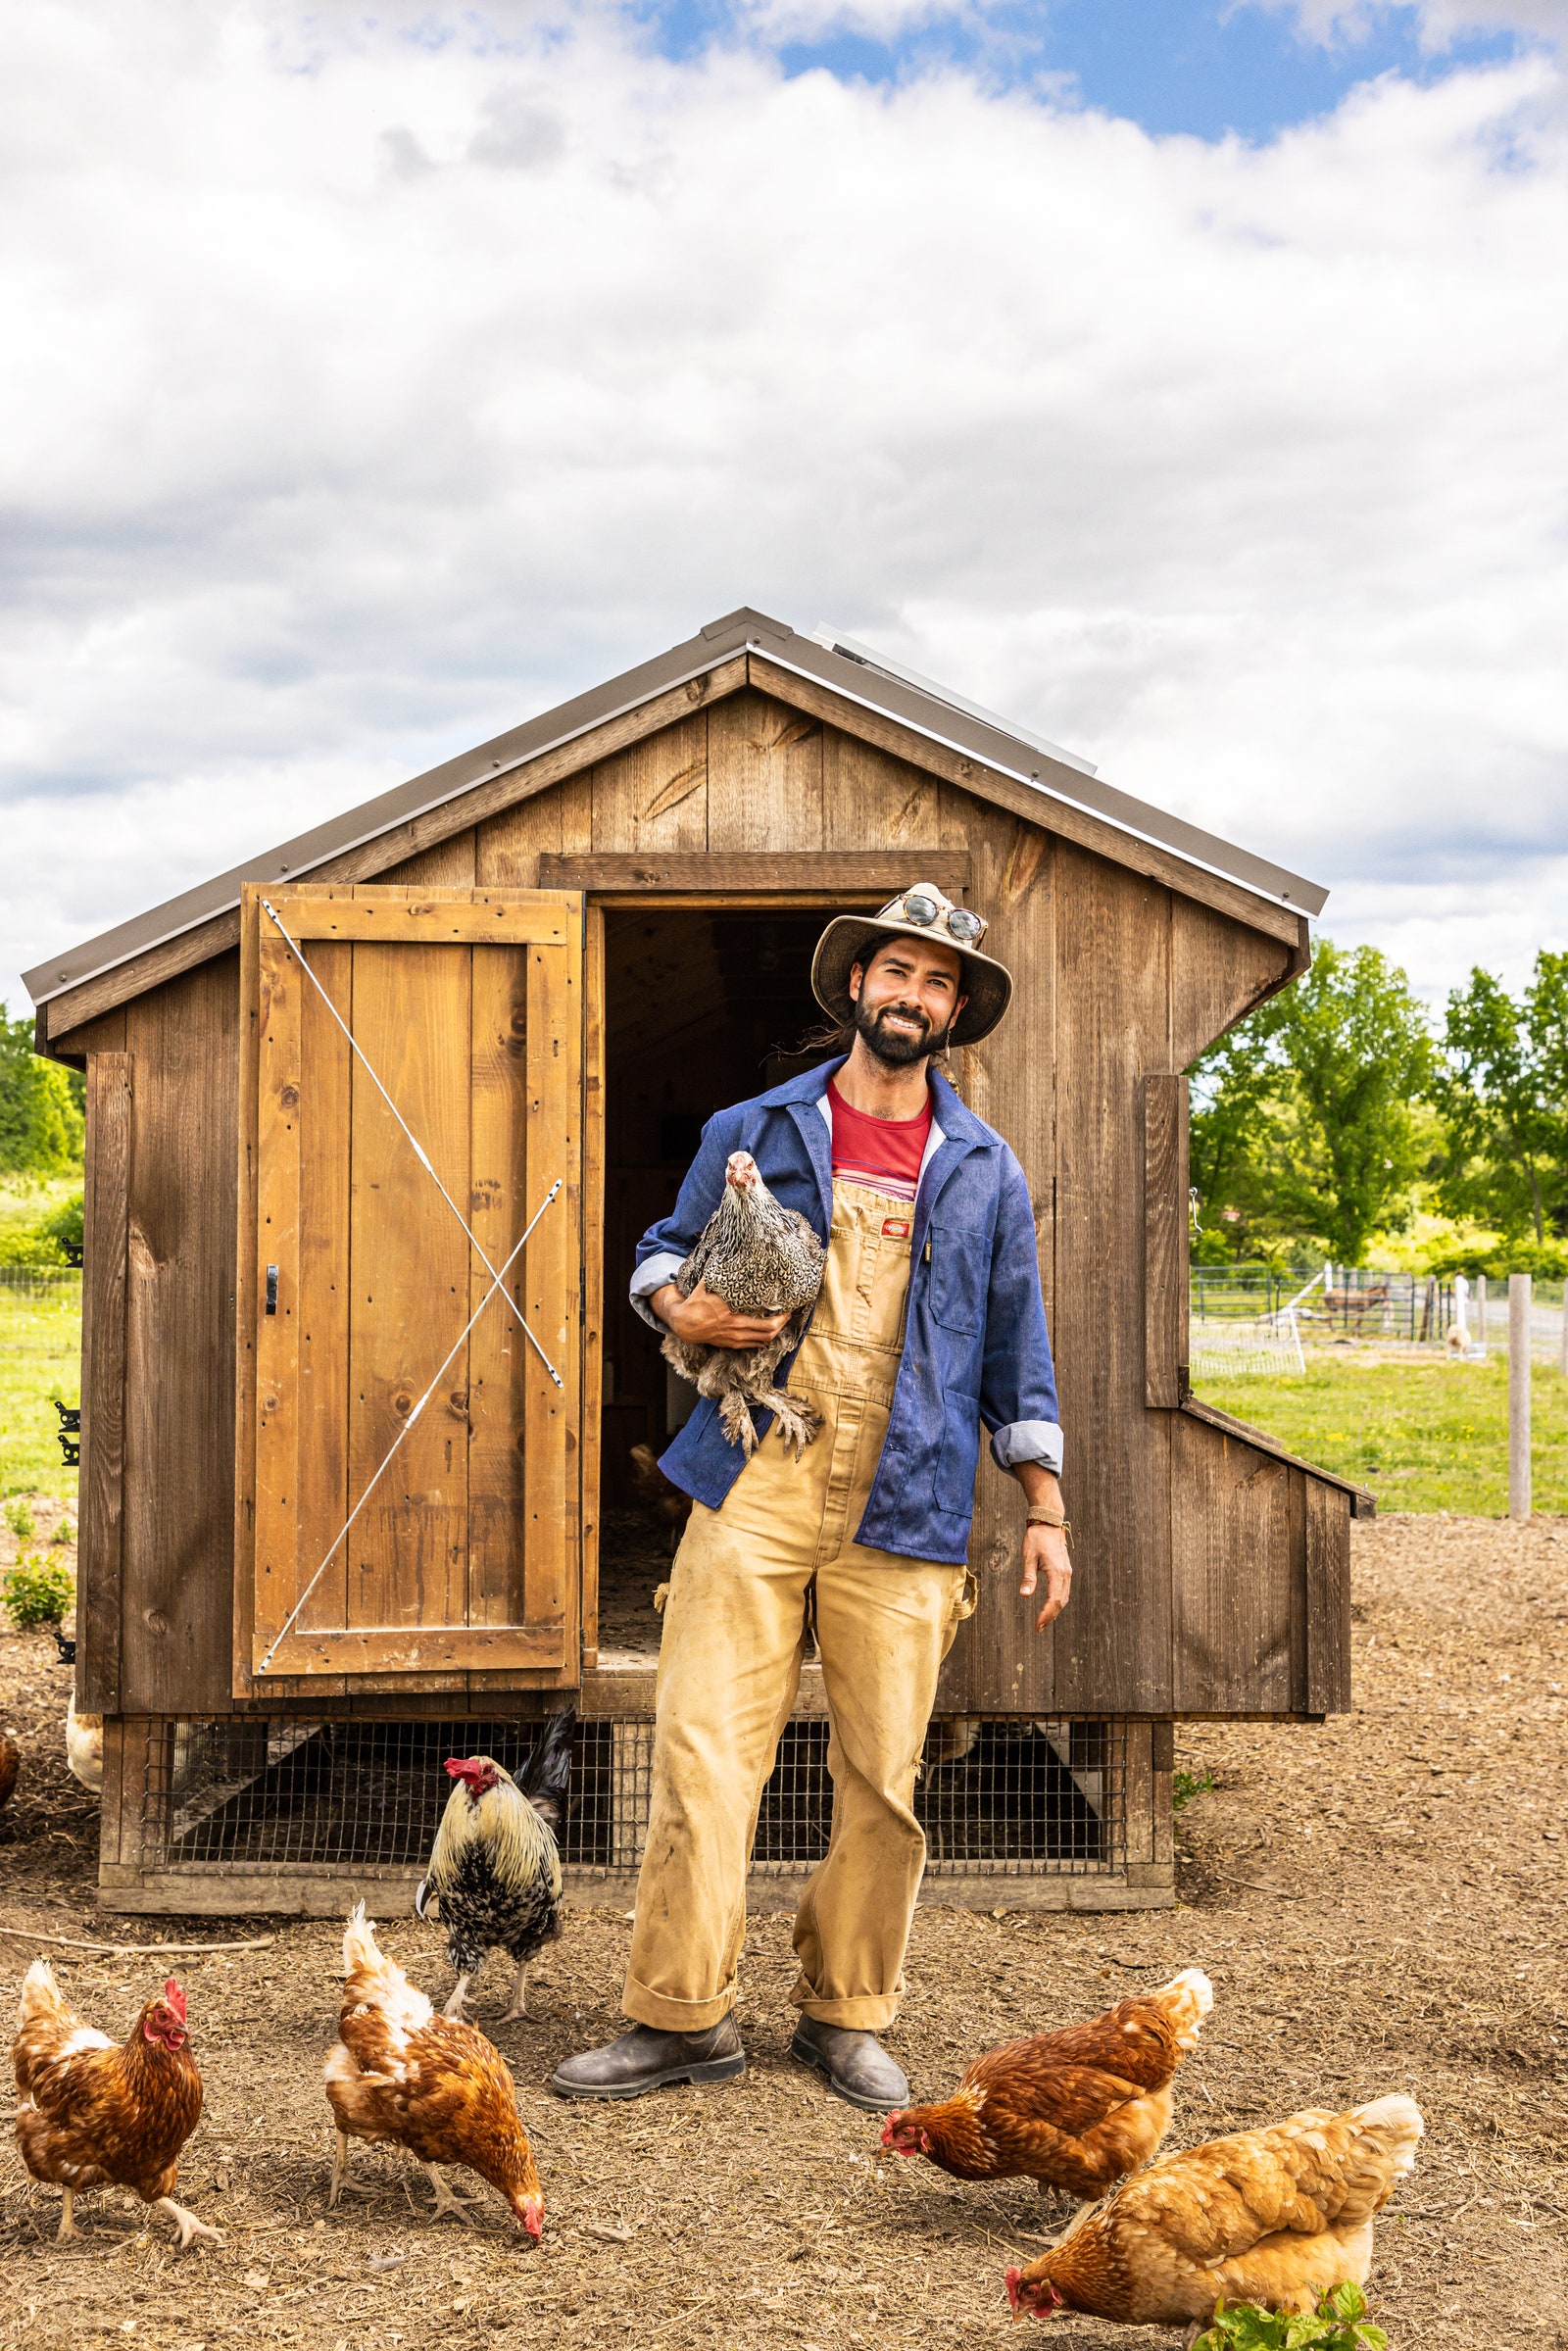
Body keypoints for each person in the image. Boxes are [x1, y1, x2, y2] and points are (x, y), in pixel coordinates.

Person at [552, 885, 1070, 2110]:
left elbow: (1017, 1349)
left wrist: (1044, 1506)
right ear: (855, 986)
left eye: (938, 983)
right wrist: (678, 1304)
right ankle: (681, 2015)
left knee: (885, 1773)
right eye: (897, 970)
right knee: (700, 1750)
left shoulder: (984, 1171)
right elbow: (659, 1252)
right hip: (756, 1468)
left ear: (954, 1013)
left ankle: (845, 2014)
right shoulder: (758, 1121)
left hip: (912, 1490)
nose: (913, 996)